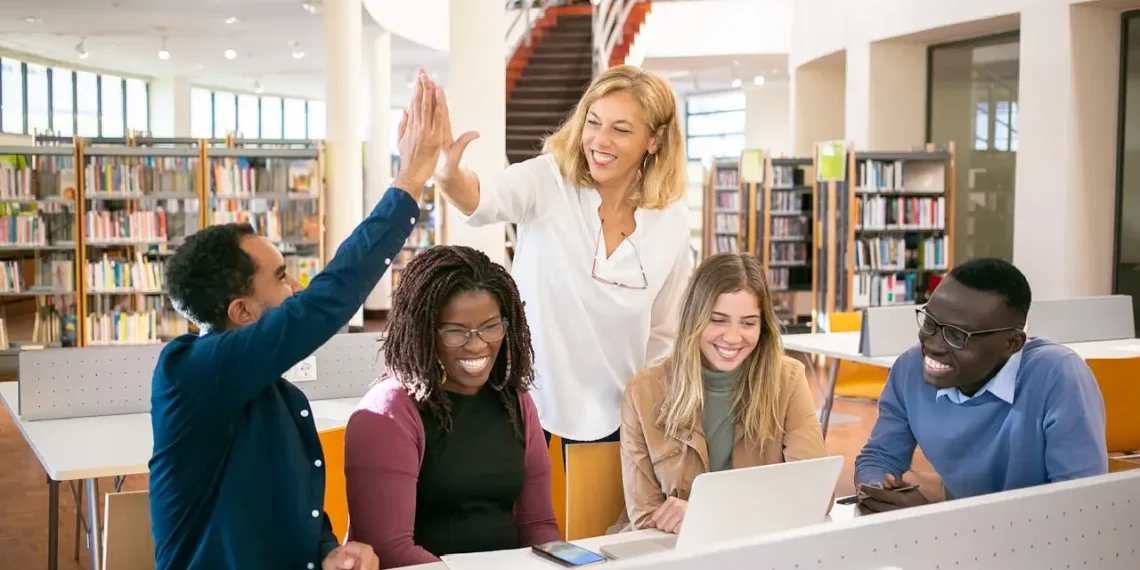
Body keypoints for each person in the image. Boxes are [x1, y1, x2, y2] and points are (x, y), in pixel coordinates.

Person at [147, 72, 444, 570]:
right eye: (282, 278)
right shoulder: (189, 372)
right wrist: (410, 180)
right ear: (240, 312)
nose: (297, 288)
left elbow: (293, 510)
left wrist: (327, 552)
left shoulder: (278, 395)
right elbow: (324, 303)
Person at [422, 65, 694, 452]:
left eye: (621, 129)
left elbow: (666, 332)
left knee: (600, 515)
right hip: (529, 410)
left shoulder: (672, 220)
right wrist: (447, 175)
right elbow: (483, 198)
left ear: (655, 140)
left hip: (622, 421)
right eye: (593, 122)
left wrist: (647, 410)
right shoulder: (549, 181)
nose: (600, 140)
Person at [343, 245, 560, 568]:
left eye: (490, 326)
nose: (477, 344)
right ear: (424, 333)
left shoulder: (516, 401)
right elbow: (389, 550)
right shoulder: (388, 412)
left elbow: (537, 526)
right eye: (456, 332)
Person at [855, 258, 1108, 514]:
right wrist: (877, 488)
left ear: (1011, 344)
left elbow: (1080, 507)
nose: (932, 344)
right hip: (963, 541)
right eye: (930, 322)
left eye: (957, 335)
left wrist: (934, 518)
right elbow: (880, 456)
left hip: (1042, 544)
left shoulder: (1057, 375)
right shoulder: (910, 368)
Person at [616, 253, 827, 533]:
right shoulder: (643, 392)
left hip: (758, 546)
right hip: (672, 551)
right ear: (695, 319)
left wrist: (709, 515)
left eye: (749, 323)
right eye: (718, 320)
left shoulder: (788, 380)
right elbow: (645, 518)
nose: (733, 337)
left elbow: (816, 495)